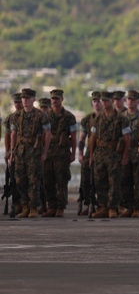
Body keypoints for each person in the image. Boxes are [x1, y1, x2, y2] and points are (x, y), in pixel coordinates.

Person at [88, 91, 131, 218]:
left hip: (114, 155)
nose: (104, 103)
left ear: (112, 101)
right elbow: (92, 138)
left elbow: (127, 139)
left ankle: (113, 208)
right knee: (100, 181)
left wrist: (124, 156)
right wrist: (91, 156)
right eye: (103, 101)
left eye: (106, 100)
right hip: (100, 154)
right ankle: (103, 207)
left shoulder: (121, 119)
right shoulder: (98, 119)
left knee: (114, 182)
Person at [9, 88, 52, 218]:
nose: (24, 100)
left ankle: (33, 208)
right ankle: (25, 206)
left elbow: (48, 134)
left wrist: (45, 152)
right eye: (23, 98)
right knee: (20, 180)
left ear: (33, 99)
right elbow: (13, 134)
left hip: (34, 153)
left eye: (27, 98)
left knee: (34, 181)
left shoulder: (41, 115)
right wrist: (12, 153)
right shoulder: (16, 116)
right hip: (20, 152)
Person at [43, 90, 78, 217]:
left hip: (62, 154)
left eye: (57, 98)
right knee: (48, 180)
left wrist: (73, 153)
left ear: (62, 99)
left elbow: (73, 136)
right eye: (53, 98)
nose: (54, 101)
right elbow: (43, 135)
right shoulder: (45, 116)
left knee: (62, 180)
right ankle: (51, 206)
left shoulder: (69, 117)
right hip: (49, 153)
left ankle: (60, 207)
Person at [119, 90, 139, 217]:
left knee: (138, 181)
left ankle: (137, 208)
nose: (130, 102)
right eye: (128, 99)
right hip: (125, 152)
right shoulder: (121, 116)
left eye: (133, 99)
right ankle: (128, 207)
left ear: (138, 101)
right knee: (125, 181)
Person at [77, 92, 102, 216]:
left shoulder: (107, 117)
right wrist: (80, 154)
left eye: (99, 101)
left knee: (101, 180)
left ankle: (102, 205)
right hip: (89, 153)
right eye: (95, 101)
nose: (97, 103)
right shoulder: (87, 120)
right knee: (86, 179)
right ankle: (88, 203)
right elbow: (82, 138)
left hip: (104, 152)